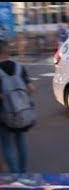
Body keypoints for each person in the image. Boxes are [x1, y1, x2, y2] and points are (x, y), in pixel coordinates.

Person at [0, 39, 35, 173]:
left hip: (4, 114)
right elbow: (31, 88)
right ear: (7, 50)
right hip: (21, 112)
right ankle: (23, 173)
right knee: (21, 141)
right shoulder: (19, 67)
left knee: (7, 144)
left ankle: (15, 174)